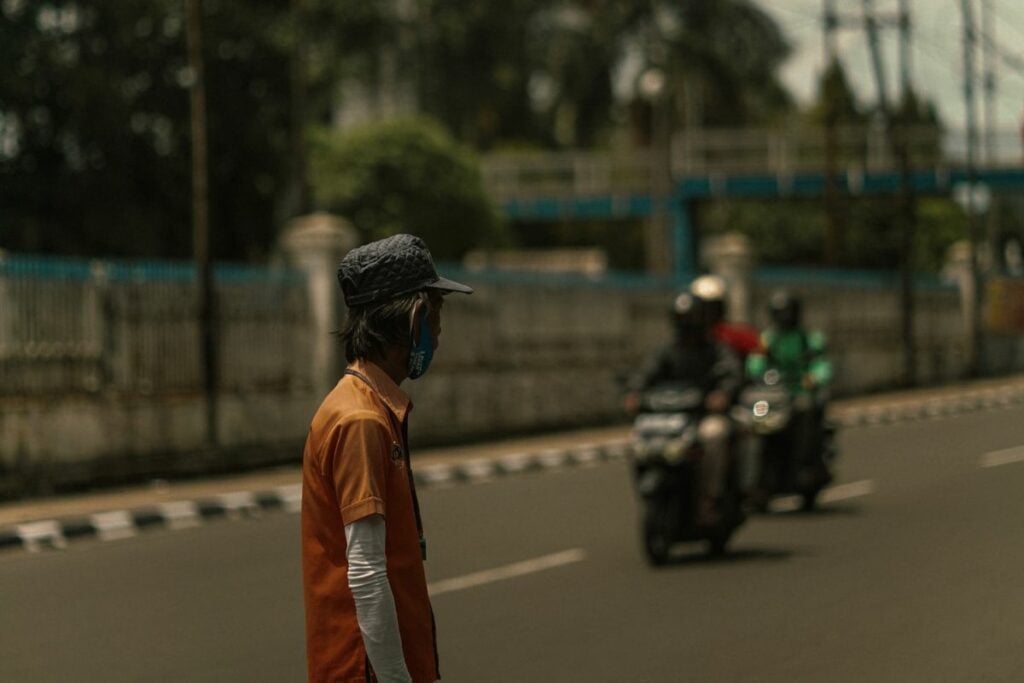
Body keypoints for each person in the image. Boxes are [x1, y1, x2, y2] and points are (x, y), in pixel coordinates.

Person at [301, 233, 473, 683]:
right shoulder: (360, 420)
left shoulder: (372, 406)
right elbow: (365, 572)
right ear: (414, 317)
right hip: (365, 672)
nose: (439, 331)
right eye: (436, 314)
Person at [626, 292, 743, 525]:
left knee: (714, 435)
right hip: (671, 419)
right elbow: (645, 375)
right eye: (683, 320)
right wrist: (635, 394)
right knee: (636, 439)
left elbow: (732, 374)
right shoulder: (666, 352)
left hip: (703, 417)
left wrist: (722, 394)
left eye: (691, 320)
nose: (687, 326)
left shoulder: (716, 350)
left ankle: (710, 497)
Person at [751, 290, 833, 470]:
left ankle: (804, 462)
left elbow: (822, 365)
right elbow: (755, 364)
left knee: (804, 409)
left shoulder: (809, 338)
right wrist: (757, 373)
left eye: (788, 313)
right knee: (754, 416)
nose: (784, 318)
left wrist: (814, 377)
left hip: (800, 392)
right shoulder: (768, 339)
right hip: (774, 395)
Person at [689, 274, 762, 359]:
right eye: (704, 307)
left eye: (713, 306)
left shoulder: (737, 336)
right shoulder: (690, 340)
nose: (708, 312)